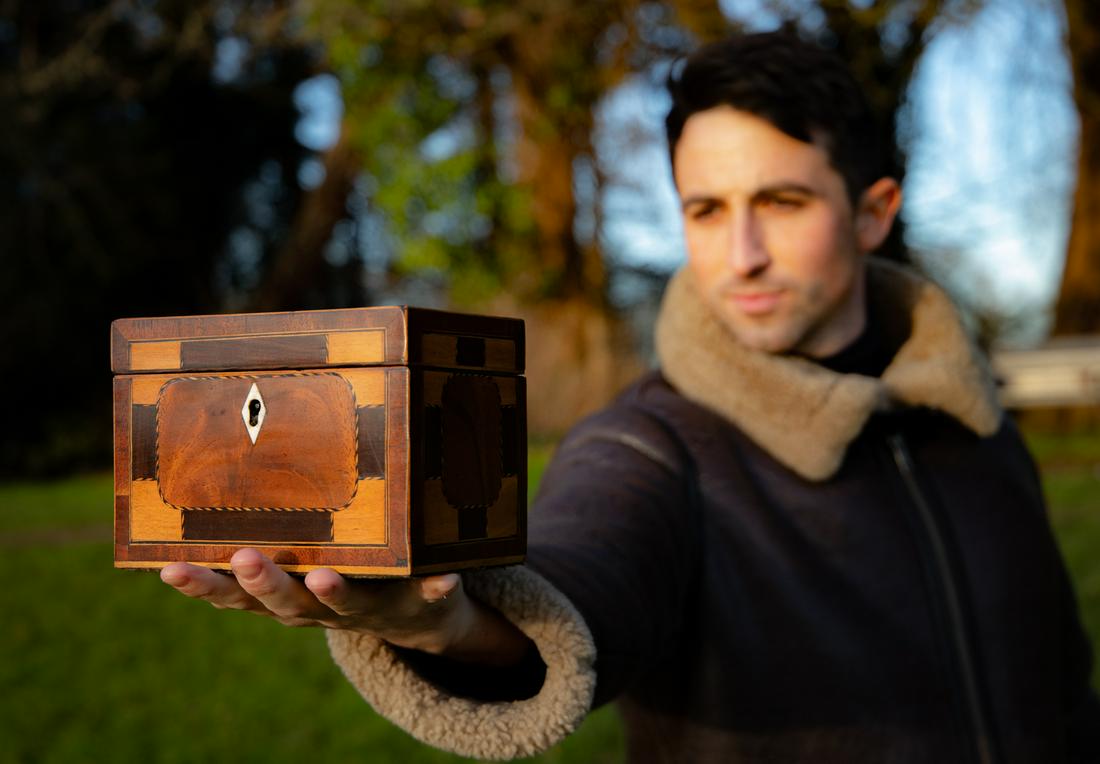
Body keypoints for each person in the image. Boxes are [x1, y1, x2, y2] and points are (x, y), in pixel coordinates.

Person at [160, 31, 1100, 762]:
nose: (743, 257)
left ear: (872, 213)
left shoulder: (968, 412)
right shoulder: (649, 445)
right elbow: (578, 585)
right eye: (706, 210)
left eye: (781, 202)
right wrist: (448, 627)